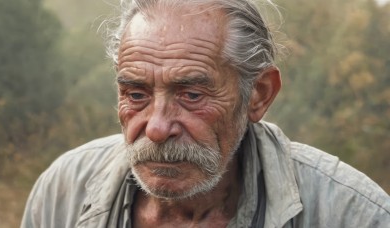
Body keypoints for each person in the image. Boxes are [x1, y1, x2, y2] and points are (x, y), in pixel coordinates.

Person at [21, 0, 390, 227]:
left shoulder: (352, 214)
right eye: (136, 93)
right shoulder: (64, 190)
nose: (157, 127)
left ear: (258, 96)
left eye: (192, 94)